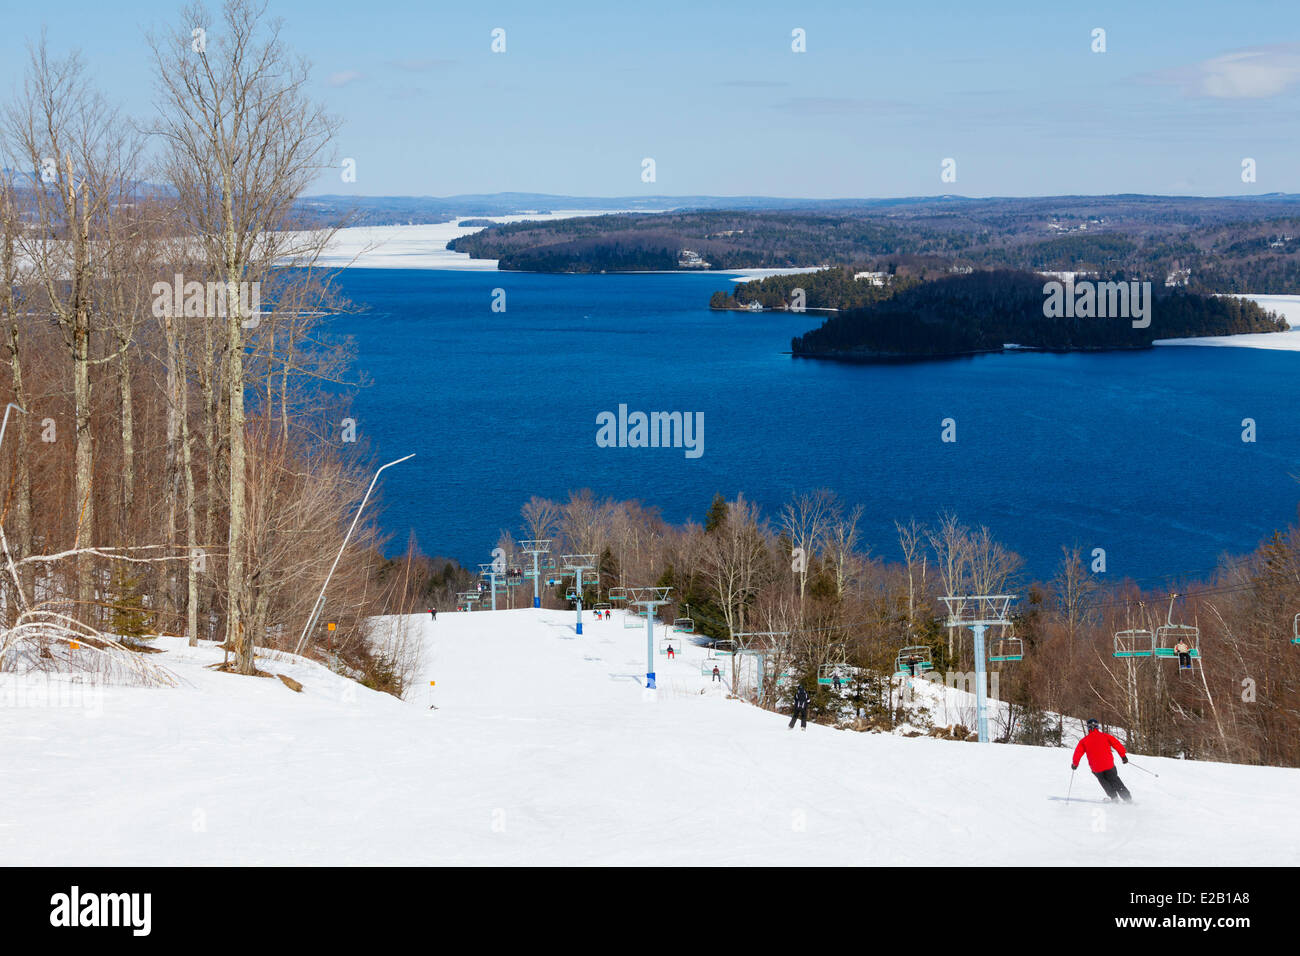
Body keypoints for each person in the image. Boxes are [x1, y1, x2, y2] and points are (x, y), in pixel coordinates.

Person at [1071, 718, 1132, 802]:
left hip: (1096, 768)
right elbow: (1117, 744)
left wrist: (1075, 764)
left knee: (1104, 782)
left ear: (1088, 728)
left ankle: (1114, 798)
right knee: (1115, 780)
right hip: (1109, 765)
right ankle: (1127, 798)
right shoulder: (1105, 736)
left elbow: (1078, 753)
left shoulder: (1084, 741)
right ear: (1097, 727)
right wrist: (1123, 756)